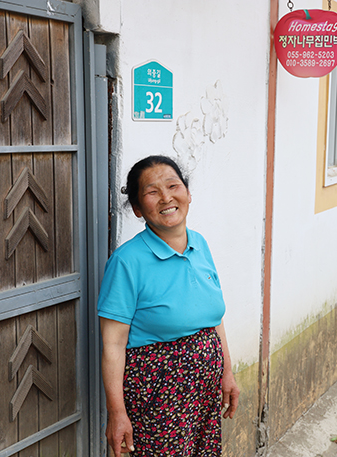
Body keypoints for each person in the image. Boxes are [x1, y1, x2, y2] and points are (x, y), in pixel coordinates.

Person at [98, 155, 239, 456]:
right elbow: (112, 344)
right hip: (157, 397)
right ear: (138, 209)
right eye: (152, 192)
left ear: (188, 193)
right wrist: (116, 412)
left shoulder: (200, 244)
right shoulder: (127, 262)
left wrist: (227, 372)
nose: (166, 197)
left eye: (173, 186)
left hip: (203, 393)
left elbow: (214, 318)